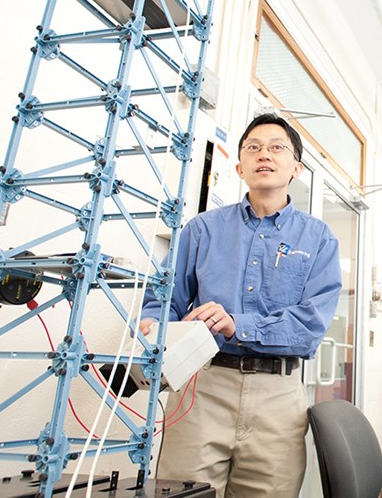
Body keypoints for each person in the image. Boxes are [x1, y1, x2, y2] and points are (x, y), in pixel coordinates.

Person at [139, 113, 342, 497]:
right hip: (203, 387)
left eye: (276, 147)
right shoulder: (202, 229)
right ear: (239, 166)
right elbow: (161, 300)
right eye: (253, 148)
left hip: (278, 398)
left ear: (295, 167)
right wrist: (156, 329)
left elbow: (310, 327)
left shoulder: (319, 239)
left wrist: (238, 325)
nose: (264, 154)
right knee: (184, 492)